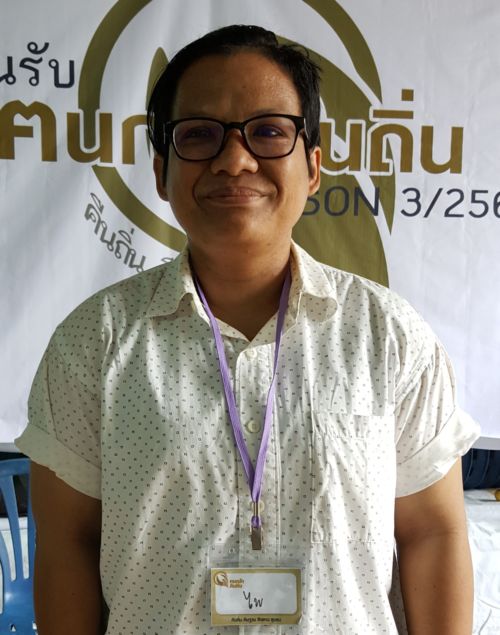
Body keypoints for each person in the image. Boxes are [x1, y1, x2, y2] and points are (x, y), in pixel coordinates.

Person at [16, 24, 479, 634]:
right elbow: (67, 543)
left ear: (313, 168)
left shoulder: (389, 337)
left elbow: (432, 533)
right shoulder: (93, 344)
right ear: (160, 172)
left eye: (268, 132)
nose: (235, 160)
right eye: (199, 135)